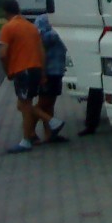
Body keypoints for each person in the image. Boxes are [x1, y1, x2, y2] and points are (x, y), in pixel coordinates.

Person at [0, 0, 64, 153]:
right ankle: (30, 136)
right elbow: (41, 51)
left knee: (25, 105)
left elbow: (2, 54)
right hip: (36, 68)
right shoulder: (30, 27)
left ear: (5, 12)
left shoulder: (8, 28)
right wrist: (42, 73)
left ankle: (49, 124)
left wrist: (7, 70)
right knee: (24, 104)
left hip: (22, 70)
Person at [34, 14, 68, 143]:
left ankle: (49, 134)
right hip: (48, 69)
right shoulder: (43, 19)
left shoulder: (62, 18)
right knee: (41, 104)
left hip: (57, 69)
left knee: (50, 104)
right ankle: (31, 133)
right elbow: (40, 39)